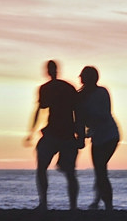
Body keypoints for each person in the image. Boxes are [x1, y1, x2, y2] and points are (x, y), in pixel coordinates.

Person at [26, 60, 84, 211]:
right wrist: (31, 132)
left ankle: (68, 206)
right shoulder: (57, 88)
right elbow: (40, 109)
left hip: (63, 134)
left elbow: (77, 112)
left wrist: (81, 135)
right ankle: (47, 203)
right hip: (56, 133)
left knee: (68, 172)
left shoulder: (57, 88)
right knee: (47, 169)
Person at [78, 66, 120, 212]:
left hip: (109, 135)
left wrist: (87, 128)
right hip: (97, 136)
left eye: (83, 75)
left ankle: (107, 204)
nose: (80, 78)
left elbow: (103, 114)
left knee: (101, 169)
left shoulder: (101, 92)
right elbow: (80, 119)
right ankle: (98, 201)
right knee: (100, 170)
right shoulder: (81, 96)